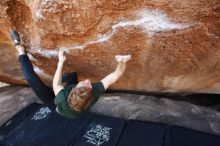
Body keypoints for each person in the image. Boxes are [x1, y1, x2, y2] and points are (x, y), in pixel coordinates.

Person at [10, 30, 131, 119]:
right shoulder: (93, 93)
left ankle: (20, 50)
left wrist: (60, 63)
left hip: (54, 103)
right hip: (71, 101)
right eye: (88, 84)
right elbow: (115, 75)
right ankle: (65, 79)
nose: (88, 80)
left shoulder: (62, 97)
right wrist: (122, 62)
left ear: (72, 90)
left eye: (83, 83)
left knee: (32, 80)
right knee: (73, 75)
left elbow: (56, 84)